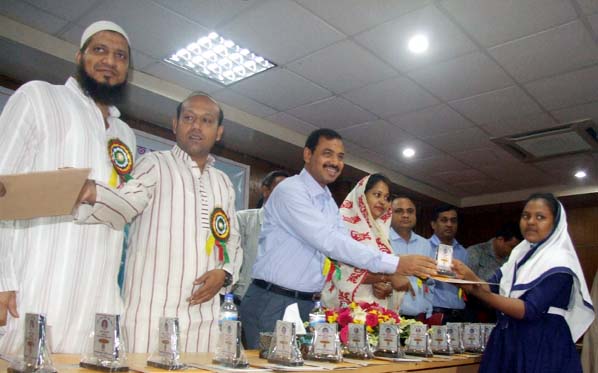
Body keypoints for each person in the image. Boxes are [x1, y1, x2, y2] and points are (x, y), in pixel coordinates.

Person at [0, 21, 135, 354]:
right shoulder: (39, 96)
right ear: (79, 56)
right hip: (37, 285)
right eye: (99, 50)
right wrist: (1, 280)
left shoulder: (126, 135)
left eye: (120, 55)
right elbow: (2, 191)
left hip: (98, 297)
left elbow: (123, 210)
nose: (110, 61)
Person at [75, 92, 241, 353]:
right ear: (175, 124)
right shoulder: (153, 164)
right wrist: (92, 193)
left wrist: (225, 273)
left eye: (206, 120)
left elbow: (232, 240)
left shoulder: (223, 182)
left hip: (205, 320)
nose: (197, 126)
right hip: (149, 317)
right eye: (189, 118)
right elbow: (126, 203)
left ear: (218, 132)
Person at [240, 128, 437, 348]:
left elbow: (347, 247)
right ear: (307, 155)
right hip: (273, 300)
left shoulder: (327, 200)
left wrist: (391, 271)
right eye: (327, 153)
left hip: (306, 303)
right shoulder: (291, 190)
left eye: (340, 157)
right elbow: (329, 241)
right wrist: (396, 264)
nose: (335, 162)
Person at [453, 193, 594, 373]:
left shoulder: (560, 261)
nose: (531, 222)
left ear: (556, 223)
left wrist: (479, 291)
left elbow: (528, 310)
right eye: (526, 216)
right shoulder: (519, 255)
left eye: (540, 217)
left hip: (541, 343)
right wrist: (465, 276)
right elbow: (492, 286)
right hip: (509, 339)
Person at [320, 174, 411, 309]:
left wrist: (388, 288)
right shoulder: (341, 225)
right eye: (377, 194)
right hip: (344, 310)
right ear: (362, 195)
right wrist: (387, 278)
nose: (382, 201)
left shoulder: (381, 232)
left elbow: (381, 270)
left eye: (386, 198)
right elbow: (340, 271)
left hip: (374, 311)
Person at [232, 170, 290, 305]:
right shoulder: (243, 219)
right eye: (282, 188)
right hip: (240, 298)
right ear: (265, 190)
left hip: (276, 302)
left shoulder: (294, 229)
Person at [389, 196, 435, 320]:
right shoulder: (382, 240)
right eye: (399, 211)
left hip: (421, 316)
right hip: (390, 316)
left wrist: (428, 310)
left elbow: (430, 283)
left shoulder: (425, 244)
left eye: (410, 211)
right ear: (389, 214)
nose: (405, 215)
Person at [466, 222, 522, 322]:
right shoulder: (476, 252)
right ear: (500, 240)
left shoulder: (513, 259)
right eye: (511, 247)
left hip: (504, 310)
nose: (514, 251)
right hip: (476, 311)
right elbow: (468, 284)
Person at [429, 204, 468, 323]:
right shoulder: (424, 247)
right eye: (444, 220)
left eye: (453, 221)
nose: (449, 224)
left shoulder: (463, 252)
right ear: (433, 224)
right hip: (435, 313)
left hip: (460, 314)